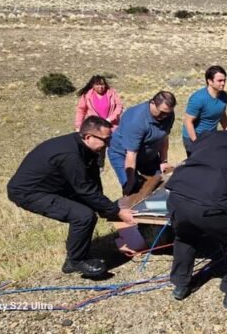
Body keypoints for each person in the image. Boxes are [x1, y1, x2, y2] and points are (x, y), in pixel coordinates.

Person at [7, 116, 135, 277]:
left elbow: (92, 180)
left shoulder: (87, 149)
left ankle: (74, 256)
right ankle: (75, 261)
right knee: (83, 216)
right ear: (88, 137)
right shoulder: (70, 155)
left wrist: (104, 208)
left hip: (54, 186)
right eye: (106, 140)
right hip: (28, 192)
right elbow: (85, 189)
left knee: (88, 209)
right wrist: (116, 211)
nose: (108, 144)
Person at [165, 113, 227, 308]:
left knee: (185, 237)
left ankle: (180, 285)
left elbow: (195, 161)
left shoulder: (208, 136)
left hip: (177, 196)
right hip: (212, 204)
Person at [108, 91, 176, 195]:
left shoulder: (168, 115)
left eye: (167, 113)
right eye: (162, 112)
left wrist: (163, 161)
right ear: (152, 103)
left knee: (160, 182)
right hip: (124, 154)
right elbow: (131, 154)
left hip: (148, 154)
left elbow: (164, 137)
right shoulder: (136, 120)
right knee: (133, 188)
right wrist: (130, 183)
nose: (164, 116)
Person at [74, 75, 124, 169]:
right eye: (98, 85)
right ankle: (99, 168)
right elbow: (81, 110)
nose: (101, 87)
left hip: (111, 126)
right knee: (98, 150)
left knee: (117, 147)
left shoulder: (111, 93)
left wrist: (110, 119)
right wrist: (78, 126)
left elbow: (119, 106)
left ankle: (121, 167)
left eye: (102, 84)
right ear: (93, 85)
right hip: (95, 128)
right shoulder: (87, 95)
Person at [182, 65, 227, 157]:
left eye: (224, 80)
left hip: (210, 136)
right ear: (210, 81)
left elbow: (222, 114)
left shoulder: (224, 96)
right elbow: (188, 121)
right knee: (199, 166)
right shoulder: (198, 98)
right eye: (219, 81)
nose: (223, 83)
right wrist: (196, 143)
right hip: (194, 137)